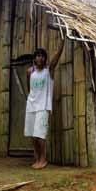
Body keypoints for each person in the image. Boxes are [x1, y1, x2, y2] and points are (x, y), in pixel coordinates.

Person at [24, 38, 65, 169]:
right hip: (31, 106)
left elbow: (55, 59)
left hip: (43, 106)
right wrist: (31, 99)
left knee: (40, 134)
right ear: (35, 58)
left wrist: (62, 43)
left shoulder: (49, 71)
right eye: (37, 56)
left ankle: (43, 159)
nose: (40, 58)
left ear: (45, 59)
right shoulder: (30, 72)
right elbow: (28, 88)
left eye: (42, 56)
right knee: (32, 135)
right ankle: (37, 158)